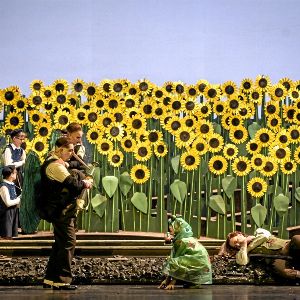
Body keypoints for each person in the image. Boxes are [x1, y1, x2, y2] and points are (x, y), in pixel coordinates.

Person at [38, 137, 93, 290]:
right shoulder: (55, 166)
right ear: (59, 150)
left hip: (59, 209)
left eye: (72, 150)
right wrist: (85, 183)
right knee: (68, 242)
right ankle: (62, 280)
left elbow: (73, 167)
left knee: (60, 243)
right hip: (59, 210)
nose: (71, 153)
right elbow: (73, 185)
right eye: (69, 150)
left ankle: (50, 279)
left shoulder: (58, 162)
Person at [218, 228, 300, 281]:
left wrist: (248, 244)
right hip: (278, 258)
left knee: (296, 238)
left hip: (287, 247)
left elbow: (265, 236)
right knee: (282, 271)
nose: (238, 245)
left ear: (240, 234)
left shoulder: (258, 232)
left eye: (236, 241)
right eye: (235, 246)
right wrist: (244, 245)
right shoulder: (243, 251)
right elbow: (242, 262)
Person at [159, 216, 212, 289]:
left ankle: (194, 281)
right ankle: (192, 282)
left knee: (179, 261)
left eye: (172, 226)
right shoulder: (182, 239)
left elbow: (178, 262)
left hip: (198, 262)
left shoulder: (183, 241)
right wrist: (167, 280)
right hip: (197, 261)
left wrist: (172, 282)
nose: (170, 228)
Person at [2, 129, 26, 195]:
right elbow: (8, 165)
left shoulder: (22, 151)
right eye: (21, 139)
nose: (22, 141)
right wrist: (22, 162)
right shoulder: (8, 149)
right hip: (9, 176)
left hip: (19, 176)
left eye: (23, 139)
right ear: (14, 138)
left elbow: (25, 162)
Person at [0, 165, 21, 238]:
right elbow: (8, 203)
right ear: (11, 175)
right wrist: (19, 200)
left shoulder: (12, 185)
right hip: (7, 214)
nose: (16, 174)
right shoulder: (4, 186)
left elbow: (14, 199)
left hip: (13, 212)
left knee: (13, 236)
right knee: (7, 235)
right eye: (15, 172)